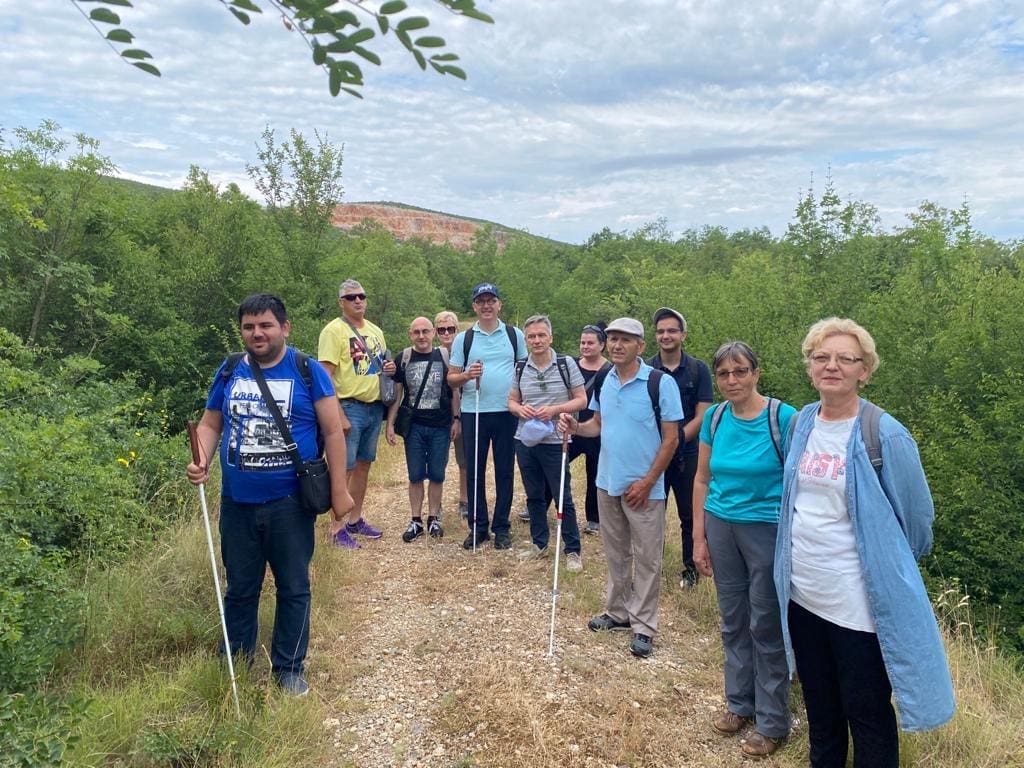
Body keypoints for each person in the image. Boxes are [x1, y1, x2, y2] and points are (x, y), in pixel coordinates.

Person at [775, 318, 955, 768]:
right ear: (810, 367)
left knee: (868, 714)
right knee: (821, 710)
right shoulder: (802, 423)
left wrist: (886, 566)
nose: (831, 366)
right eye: (821, 357)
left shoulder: (884, 434)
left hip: (859, 606)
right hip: (804, 595)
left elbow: (916, 522)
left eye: (845, 359)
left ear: (865, 371)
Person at [186, 293, 354, 696]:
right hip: (237, 502)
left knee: (293, 587)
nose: (257, 333)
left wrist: (339, 492)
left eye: (265, 325)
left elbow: (333, 431)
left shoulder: (308, 371)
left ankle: (289, 669)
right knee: (240, 588)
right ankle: (237, 661)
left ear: (284, 327)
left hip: (290, 502)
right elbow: (211, 424)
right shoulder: (229, 370)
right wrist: (201, 459)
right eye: (249, 326)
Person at [692, 341, 794, 758]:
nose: (732, 380)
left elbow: (798, 483)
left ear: (756, 372)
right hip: (720, 524)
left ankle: (772, 721)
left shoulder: (781, 417)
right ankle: (739, 703)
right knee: (732, 619)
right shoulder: (715, 418)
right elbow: (701, 479)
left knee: (765, 624)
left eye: (740, 371)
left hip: (766, 529)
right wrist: (698, 538)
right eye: (724, 374)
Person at [560, 318, 682, 658]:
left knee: (647, 559)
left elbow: (671, 439)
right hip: (607, 483)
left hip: (645, 488)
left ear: (640, 346)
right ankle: (617, 613)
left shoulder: (660, 383)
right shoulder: (604, 379)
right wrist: (575, 425)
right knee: (616, 554)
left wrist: (647, 482)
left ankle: (644, 626)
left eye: (624, 340)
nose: (616, 345)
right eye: (611, 339)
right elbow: (597, 425)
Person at [447, 283, 527, 551]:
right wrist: (468, 375)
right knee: (475, 471)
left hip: (506, 412)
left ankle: (501, 528)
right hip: (475, 411)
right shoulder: (464, 339)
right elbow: (451, 378)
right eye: (480, 301)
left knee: (505, 470)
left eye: (491, 300)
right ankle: (478, 527)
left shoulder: (515, 336)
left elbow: (525, 371)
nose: (486, 305)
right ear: (474, 306)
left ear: (499, 304)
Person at [317, 278, 394, 549]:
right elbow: (325, 376)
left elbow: (382, 365)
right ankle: (336, 528)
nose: (358, 301)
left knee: (363, 465)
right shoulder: (333, 331)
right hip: (349, 406)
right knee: (343, 468)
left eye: (361, 296)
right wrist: (338, 414)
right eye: (351, 298)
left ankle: (355, 519)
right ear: (341, 302)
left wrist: (390, 369)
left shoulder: (375, 331)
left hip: (373, 406)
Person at [508, 315, 588, 570]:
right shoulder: (520, 367)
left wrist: (554, 410)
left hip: (556, 440)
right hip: (526, 440)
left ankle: (572, 549)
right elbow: (511, 401)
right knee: (533, 496)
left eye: (541, 335)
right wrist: (520, 411)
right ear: (526, 340)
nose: (537, 340)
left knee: (562, 495)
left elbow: (581, 400)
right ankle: (539, 543)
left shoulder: (566, 364)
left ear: (550, 337)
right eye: (531, 336)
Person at [648, 307, 713, 588]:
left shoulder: (698, 370)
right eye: (661, 331)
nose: (666, 335)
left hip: (689, 454)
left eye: (672, 330)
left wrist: (676, 440)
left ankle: (690, 571)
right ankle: (652, 569)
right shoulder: (646, 369)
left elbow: (703, 415)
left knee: (690, 513)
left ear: (683, 335)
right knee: (652, 514)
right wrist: (663, 445)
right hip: (653, 454)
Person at [386, 317, 460, 542]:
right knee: (415, 475)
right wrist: (390, 423)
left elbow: (454, 391)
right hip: (414, 426)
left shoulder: (445, 357)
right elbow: (397, 394)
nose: (421, 336)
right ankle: (416, 520)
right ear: (411, 335)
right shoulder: (404, 358)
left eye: (425, 331)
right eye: (416, 332)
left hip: (441, 425)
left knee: (437, 474)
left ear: (433, 333)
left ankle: (434, 518)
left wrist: (456, 419)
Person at [570, 324, 611, 535]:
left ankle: (594, 519)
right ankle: (539, 506)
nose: (585, 346)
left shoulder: (610, 370)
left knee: (594, 474)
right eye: (582, 342)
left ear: (602, 345)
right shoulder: (571, 365)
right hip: (573, 428)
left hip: (598, 429)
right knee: (554, 467)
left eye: (590, 343)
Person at [434, 309, 469, 519]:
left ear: (457, 329)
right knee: (438, 461)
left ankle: (464, 500)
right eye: (441, 329)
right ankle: (435, 504)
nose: (446, 333)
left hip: (463, 412)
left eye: (450, 329)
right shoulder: (434, 354)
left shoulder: (466, 351)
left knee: (463, 460)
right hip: (439, 413)